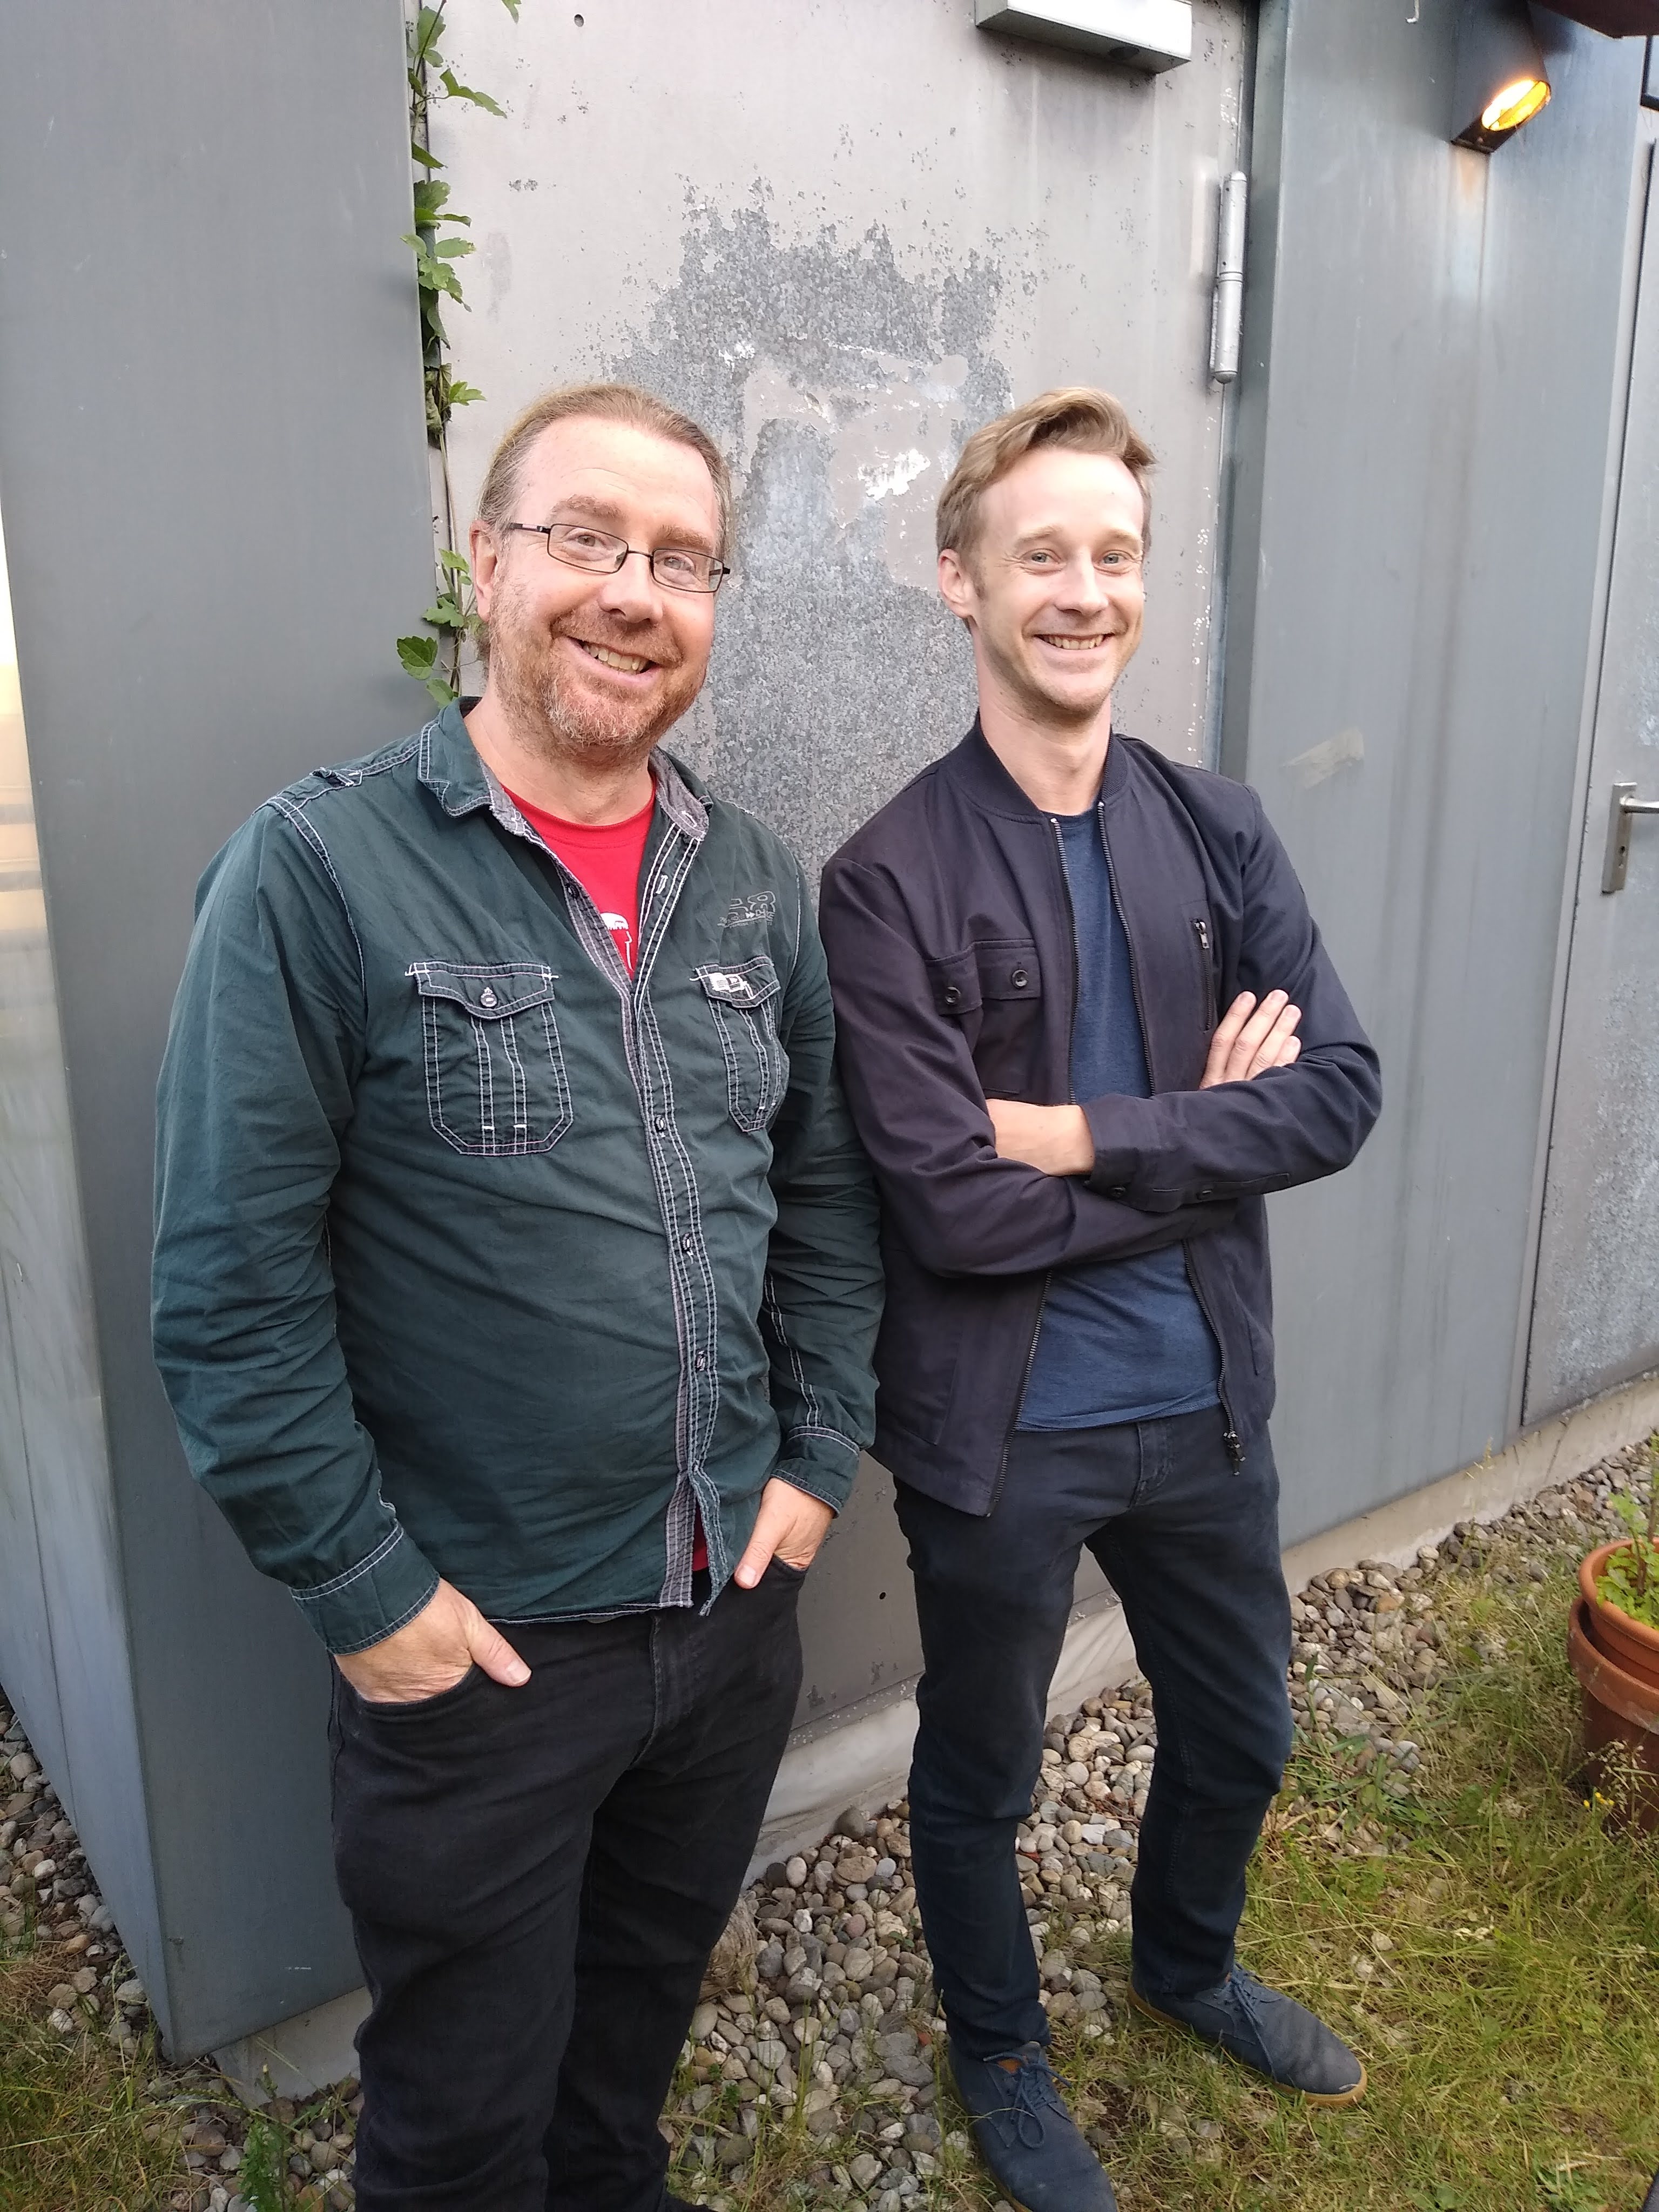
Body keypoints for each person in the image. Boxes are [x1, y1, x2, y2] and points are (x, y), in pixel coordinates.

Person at [153, 382, 882, 2212]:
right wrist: (360, 1587)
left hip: (725, 1616)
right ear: (485, 563)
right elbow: (232, 1286)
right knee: (460, 2125)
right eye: (587, 540)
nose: (635, 592)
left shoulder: (754, 888)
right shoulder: (319, 874)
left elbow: (826, 1196)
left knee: (627, 2048)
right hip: (482, 1654)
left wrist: (818, 1447)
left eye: (683, 559)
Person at [818, 387, 1382, 2211]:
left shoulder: (1215, 830)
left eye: (1115, 556)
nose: (1084, 590)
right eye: (1041, 554)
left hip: (1207, 1407)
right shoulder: (887, 879)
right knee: (979, 1773)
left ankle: (1185, 1962)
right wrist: (1205, 1137)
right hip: (1008, 1433)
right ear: (959, 580)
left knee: (1245, 1731)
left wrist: (1072, 1132)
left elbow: (1342, 1094)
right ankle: (1001, 2057)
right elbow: (951, 1221)